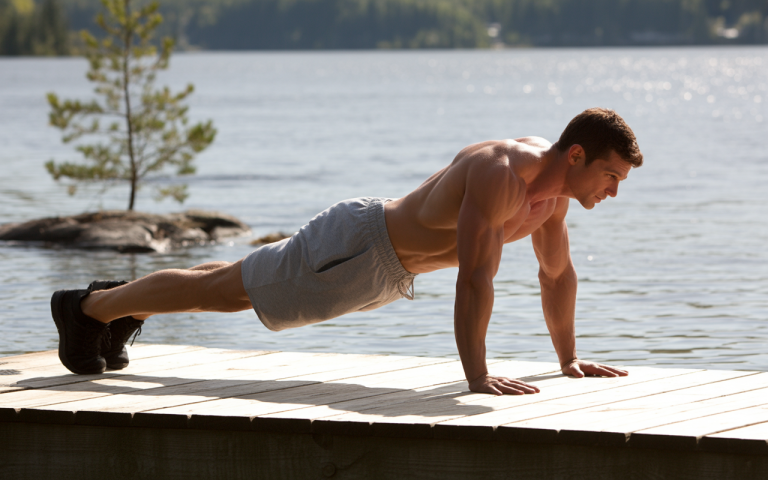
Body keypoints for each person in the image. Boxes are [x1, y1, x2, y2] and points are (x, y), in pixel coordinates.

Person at [51, 107, 642, 395]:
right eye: (611, 176)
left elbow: (556, 275)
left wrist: (567, 359)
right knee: (224, 294)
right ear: (576, 156)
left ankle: (115, 303)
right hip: (361, 248)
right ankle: (87, 311)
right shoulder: (502, 174)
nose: (612, 191)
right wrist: (478, 376)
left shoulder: (553, 200)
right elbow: (475, 282)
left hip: (380, 265)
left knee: (229, 282)